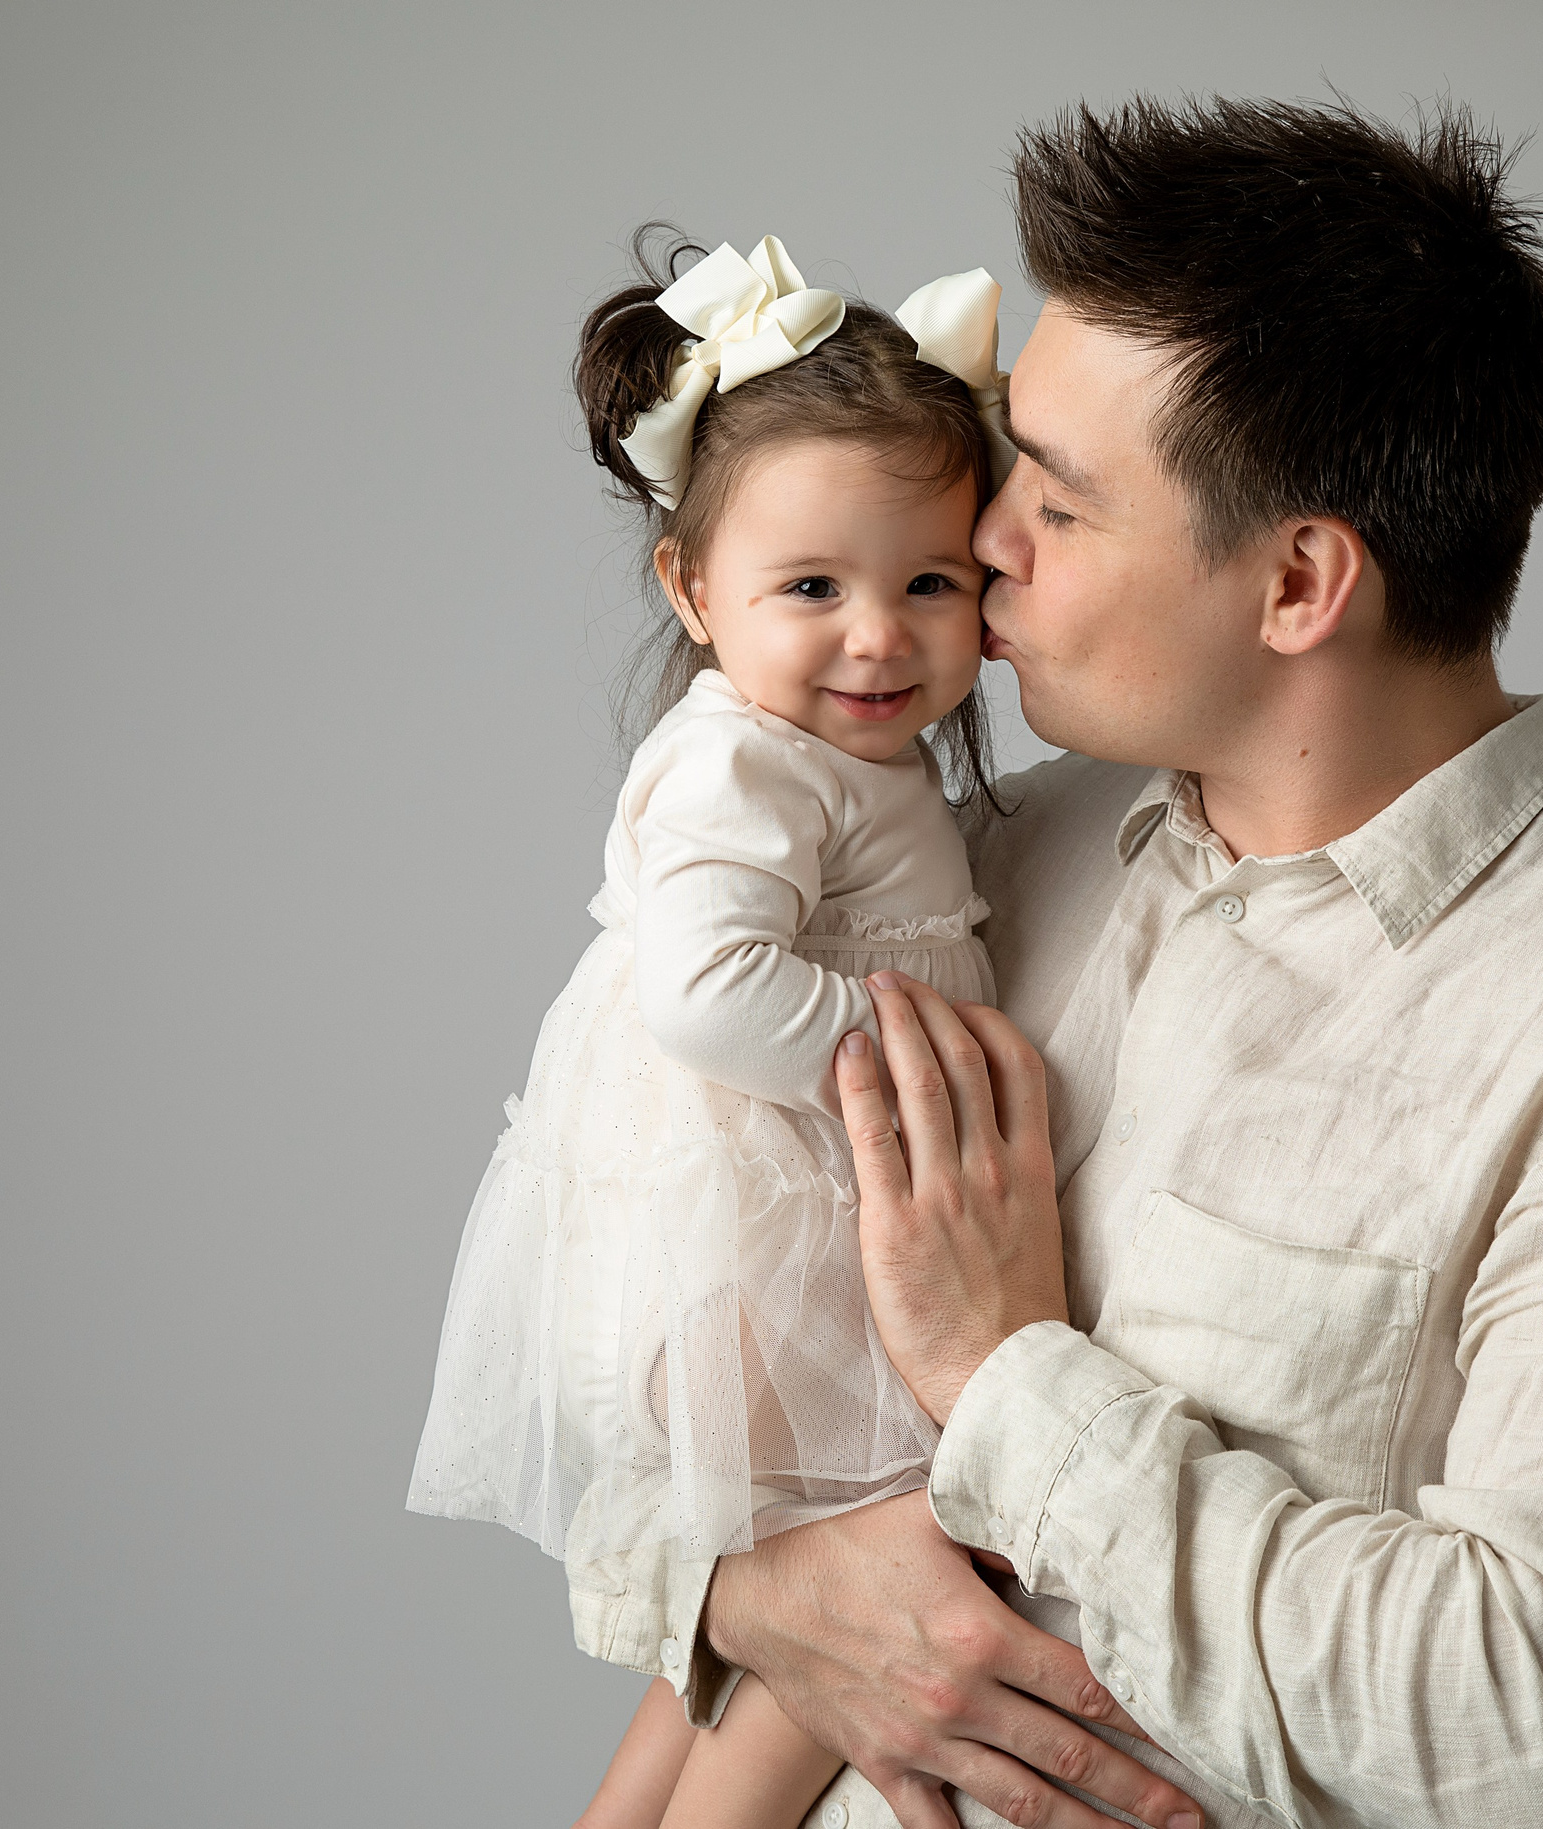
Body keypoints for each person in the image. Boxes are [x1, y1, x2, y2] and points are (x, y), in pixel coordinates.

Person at [681, 99, 1543, 1829]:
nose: (984, 536)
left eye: (1063, 506)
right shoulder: (986, 862)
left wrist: (1008, 1380)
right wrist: (765, 1591)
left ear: (1303, 579)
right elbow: (660, 1272)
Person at [401, 232, 1207, 1829]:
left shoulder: (850, 760)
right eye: (812, 589)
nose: (879, 637)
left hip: (763, 1236)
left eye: (929, 582)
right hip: (758, 1241)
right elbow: (702, 990)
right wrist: (919, 1052)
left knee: (761, 1600)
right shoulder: (746, 765)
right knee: (873, 1568)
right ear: (692, 590)